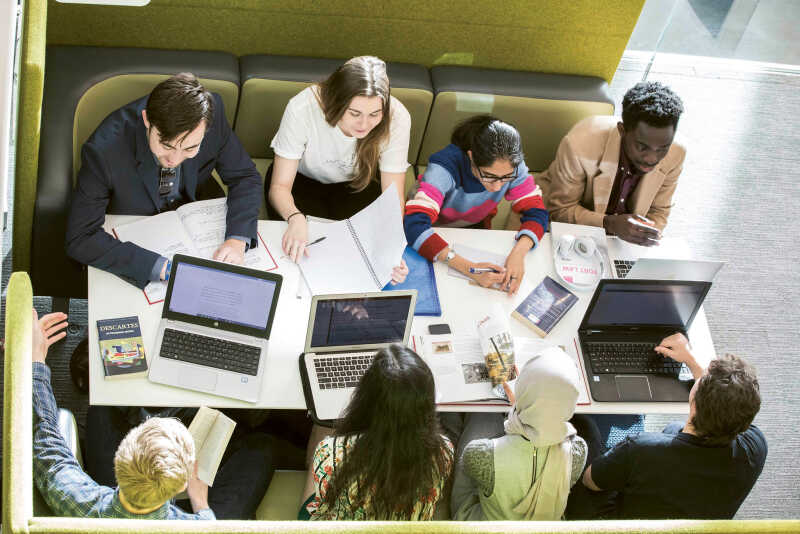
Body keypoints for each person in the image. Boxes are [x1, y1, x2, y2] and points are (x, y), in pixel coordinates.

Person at [66, 72, 263, 289]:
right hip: (137, 233)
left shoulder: (210, 116)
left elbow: (245, 176)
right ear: (146, 120)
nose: (174, 159)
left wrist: (237, 239)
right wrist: (163, 269)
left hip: (199, 223)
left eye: (190, 148)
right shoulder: (104, 151)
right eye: (166, 146)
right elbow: (80, 237)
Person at [32, 310, 215, 519]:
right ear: (182, 484)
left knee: (100, 410)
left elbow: (46, 441)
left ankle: (119, 340)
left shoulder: (80, 502)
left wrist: (35, 359)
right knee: (259, 448)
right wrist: (201, 504)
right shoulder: (197, 527)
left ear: (118, 460)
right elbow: (207, 522)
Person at [567, 334, 767, 520]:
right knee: (674, 428)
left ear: (694, 401)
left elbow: (590, 481)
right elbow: (729, 407)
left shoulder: (642, 449)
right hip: (689, 517)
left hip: (621, 524)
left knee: (587, 428)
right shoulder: (756, 447)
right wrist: (690, 360)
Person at [266, 55, 411, 280]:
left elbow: (392, 198)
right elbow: (279, 186)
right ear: (336, 102)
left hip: (358, 185)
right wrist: (295, 218)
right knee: (301, 256)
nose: (364, 125)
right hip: (300, 184)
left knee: (356, 259)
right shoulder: (302, 107)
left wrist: (390, 251)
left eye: (374, 114)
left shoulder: (398, 117)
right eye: (355, 113)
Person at [299, 344, 454, 520]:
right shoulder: (444, 451)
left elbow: (318, 509)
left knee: (320, 429)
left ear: (366, 396)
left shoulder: (332, 453)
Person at [403, 115, 548, 295]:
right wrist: (470, 269)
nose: (497, 187)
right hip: (432, 231)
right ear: (471, 156)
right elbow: (414, 226)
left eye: (506, 178)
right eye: (489, 175)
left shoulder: (512, 166)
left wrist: (518, 254)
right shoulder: (443, 168)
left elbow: (538, 213)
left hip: (475, 227)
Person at [535, 81, 685, 245]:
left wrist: (644, 235)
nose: (652, 158)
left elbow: (659, 211)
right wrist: (610, 224)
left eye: (662, 148)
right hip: (565, 231)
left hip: (623, 243)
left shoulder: (676, 153)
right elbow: (560, 210)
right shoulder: (579, 144)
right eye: (642, 147)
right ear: (622, 130)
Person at [450, 348, 587, 521]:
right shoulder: (577, 451)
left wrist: (520, 406)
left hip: (489, 527)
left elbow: (474, 467)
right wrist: (528, 406)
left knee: (481, 416)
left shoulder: (482, 454)